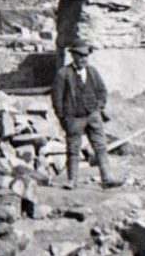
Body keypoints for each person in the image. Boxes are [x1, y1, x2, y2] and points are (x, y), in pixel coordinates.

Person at [51, 38, 124, 190]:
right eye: (80, 56)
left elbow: (102, 91)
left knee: (100, 146)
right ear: (73, 56)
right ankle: (72, 180)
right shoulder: (63, 73)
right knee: (73, 149)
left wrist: (98, 108)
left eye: (85, 56)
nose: (83, 59)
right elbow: (56, 98)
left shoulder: (92, 72)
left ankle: (107, 178)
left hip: (92, 116)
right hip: (74, 118)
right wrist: (63, 118)